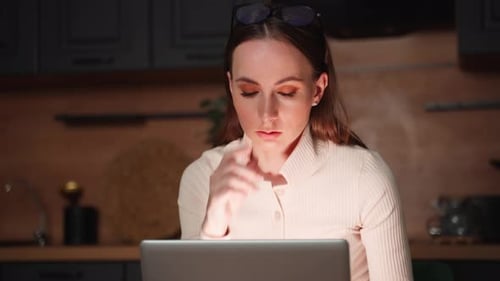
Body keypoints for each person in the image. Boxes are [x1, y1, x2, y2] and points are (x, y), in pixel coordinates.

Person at [178, 2, 413, 280]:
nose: (267, 114)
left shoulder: (364, 176)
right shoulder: (202, 178)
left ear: (317, 89)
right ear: (231, 87)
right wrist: (213, 227)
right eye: (249, 91)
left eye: (287, 92)